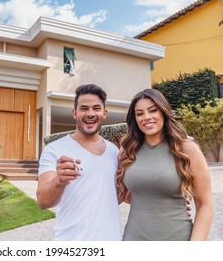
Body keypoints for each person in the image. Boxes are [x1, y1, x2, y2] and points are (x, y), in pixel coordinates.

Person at [117, 88, 213, 241]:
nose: (146, 117)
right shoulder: (126, 150)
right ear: (134, 119)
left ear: (163, 111)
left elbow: (205, 205)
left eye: (153, 110)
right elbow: (129, 195)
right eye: (139, 113)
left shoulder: (187, 149)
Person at [36, 84, 121, 240]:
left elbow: (114, 196)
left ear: (104, 113)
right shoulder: (54, 149)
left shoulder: (114, 151)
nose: (90, 114)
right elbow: (42, 201)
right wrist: (59, 181)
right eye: (84, 108)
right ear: (74, 113)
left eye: (96, 108)